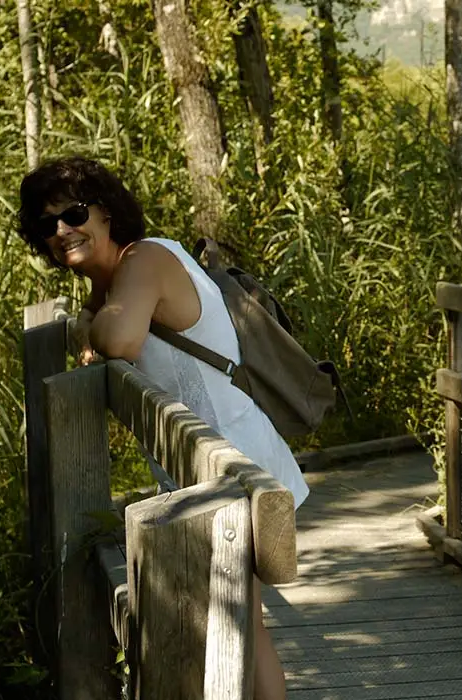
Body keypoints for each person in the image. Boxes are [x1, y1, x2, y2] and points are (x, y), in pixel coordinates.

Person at [17, 156, 306, 700]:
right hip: (202, 469)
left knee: (240, 627)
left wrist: (86, 324)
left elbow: (119, 341)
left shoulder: (144, 260)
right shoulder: (112, 282)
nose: (61, 231)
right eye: (46, 225)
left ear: (105, 212)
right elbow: (100, 340)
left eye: (73, 213)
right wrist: (89, 321)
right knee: (236, 624)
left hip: (230, 465)